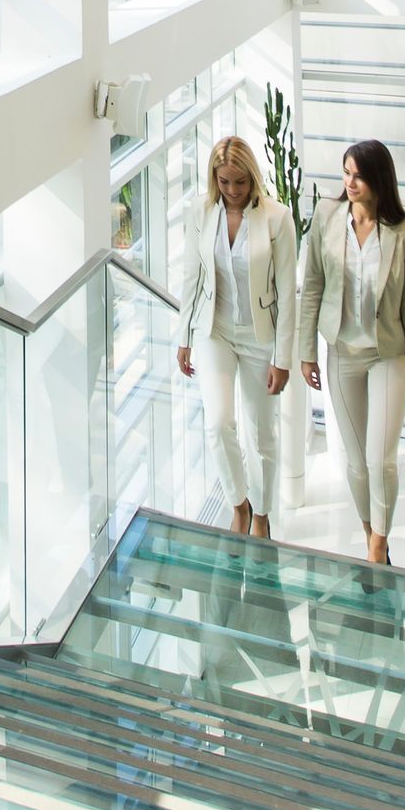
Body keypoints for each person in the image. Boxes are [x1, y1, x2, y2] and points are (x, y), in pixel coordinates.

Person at [297, 139, 405, 566]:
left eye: (359, 175)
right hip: (341, 353)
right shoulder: (326, 217)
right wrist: (306, 351)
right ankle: (373, 533)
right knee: (355, 462)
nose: (350, 182)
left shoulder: (403, 232)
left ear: (378, 180)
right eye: (346, 173)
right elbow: (312, 286)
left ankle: (376, 547)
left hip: (388, 355)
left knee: (380, 458)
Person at [176, 135, 296, 539]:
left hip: (261, 337)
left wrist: (283, 358)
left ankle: (262, 514)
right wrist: (184, 336)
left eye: (239, 182)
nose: (232, 191)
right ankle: (239, 505)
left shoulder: (277, 219)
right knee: (218, 423)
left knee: (261, 432)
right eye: (224, 182)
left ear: (252, 178)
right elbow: (192, 274)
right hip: (216, 331)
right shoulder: (201, 211)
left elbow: (288, 295)